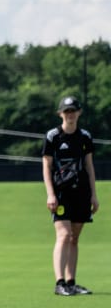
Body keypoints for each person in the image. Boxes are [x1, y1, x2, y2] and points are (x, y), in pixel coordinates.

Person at [43, 95, 98, 296]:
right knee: (64, 235)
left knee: (74, 238)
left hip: (81, 192)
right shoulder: (53, 136)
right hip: (61, 193)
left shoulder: (85, 137)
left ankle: (71, 282)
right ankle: (59, 283)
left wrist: (94, 195)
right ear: (60, 114)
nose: (70, 114)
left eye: (73, 111)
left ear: (79, 112)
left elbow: (89, 166)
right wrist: (50, 194)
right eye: (66, 111)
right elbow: (46, 165)